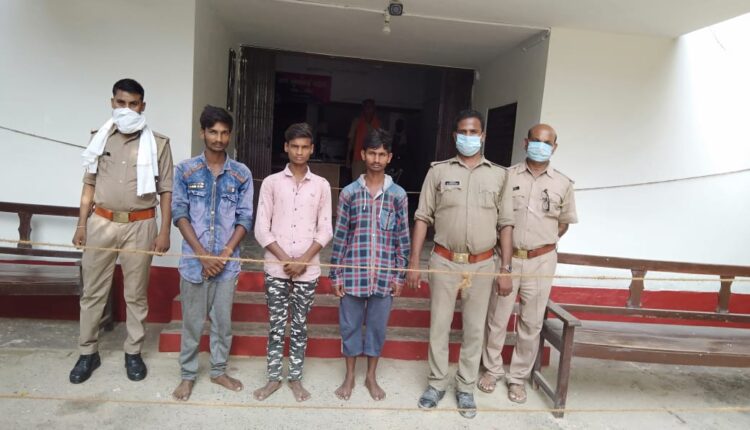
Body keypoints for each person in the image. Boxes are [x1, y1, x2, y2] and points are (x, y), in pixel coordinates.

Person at [406, 109, 514, 419]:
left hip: (483, 264)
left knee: (474, 330)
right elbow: (422, 217)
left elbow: (506, 224)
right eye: (463, 132)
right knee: (439, 326)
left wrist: (505, 269)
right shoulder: (438, 172)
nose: (468, 137)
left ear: (483, 136)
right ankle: (436, 383)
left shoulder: (499, 175)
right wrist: (414, 261)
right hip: (444, 260)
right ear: (455, 136)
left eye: (473, 132)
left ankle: (465, 387)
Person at [70, 78, 173, 384]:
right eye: (121, 103)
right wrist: (81, 224)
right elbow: (89, 184)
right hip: (101, 223)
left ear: (143, 106)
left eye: (133, 104)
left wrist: (164, 231)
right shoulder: (99, 138)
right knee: (92, 292)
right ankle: (87, 352)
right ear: (112, 103)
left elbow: (166, 191)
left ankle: (133, 352)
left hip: (140, 225)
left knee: (136, 294)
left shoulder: (159, 143)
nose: (126, 109)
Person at [479, 124, 577, 403]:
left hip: (541, 261)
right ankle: (492, 370)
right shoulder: (506, 176)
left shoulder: (563, 184)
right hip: (507, 258)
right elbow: (495, 217)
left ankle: (517, 378)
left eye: (546, 143)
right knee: (497, 318)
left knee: (531, 323)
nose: (540, 146)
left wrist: (539, 244)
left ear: (554, 148)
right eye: (535, 140)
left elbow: (563, 224)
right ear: (525, 143)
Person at [169, 105, 253, 401]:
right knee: (192, 323)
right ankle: (187, 375)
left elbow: (245, 218)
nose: (219, 138)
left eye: (224, 133)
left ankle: (218, 371)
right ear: (202, 132)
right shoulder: (185, 170)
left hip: (227, 266)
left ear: (230, 135)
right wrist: (202, 254)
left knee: (222, 323)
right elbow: (179, 213)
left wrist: (225, 253)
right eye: (213, 132)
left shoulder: (241, 174)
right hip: (195, 263)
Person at [253, 123, 333, 402]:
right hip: (276, 268)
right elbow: (261, 228)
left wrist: (304, 261)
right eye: (294, 146)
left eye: (305, 147)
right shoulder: (272, 183)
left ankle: (295, 378)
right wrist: (287, 259)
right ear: (285, 147)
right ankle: (273, 378)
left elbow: (325, 229)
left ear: (312, 149)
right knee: (276, 325)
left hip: (307, 272)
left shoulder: (321, 185)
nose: (299, 152)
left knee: (300, 326)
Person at [330, 128, 410, 401]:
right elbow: (341, 236)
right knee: (350, 326)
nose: (376, 159)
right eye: (372, 153)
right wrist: (336, 275)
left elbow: (402, 239)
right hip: (353, 274)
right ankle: (350, 375)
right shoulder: (349, 193)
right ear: (363, 154)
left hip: (384, 277)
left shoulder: (398, 195)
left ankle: (371, 376)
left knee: (377, 328)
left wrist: (399, 276)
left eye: (382, 154)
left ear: (389, 157)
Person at [347, 99, 381, 180]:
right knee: (357, 183)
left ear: (374, 109)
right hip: (358, 158)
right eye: (366, 106)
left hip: (373, 159)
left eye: (370, 107)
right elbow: (351, 140)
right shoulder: (357, 121)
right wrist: (347, 157)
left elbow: (381, 143)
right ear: (363, 108)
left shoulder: (378, 123)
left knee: (371, 183)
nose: (368, 109)